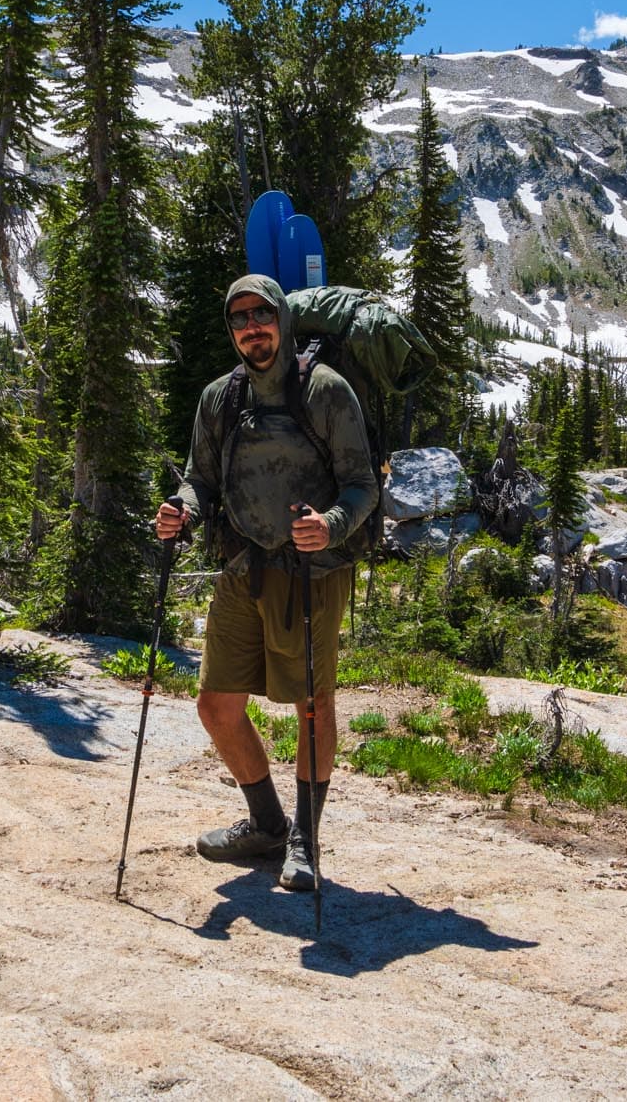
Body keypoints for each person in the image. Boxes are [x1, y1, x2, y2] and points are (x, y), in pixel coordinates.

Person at [154, 273, 377, 893]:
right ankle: (267, 825)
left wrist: (330, 526)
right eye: (239, 319)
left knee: (312, 705)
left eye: (261, 315)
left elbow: (363, 485)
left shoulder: (327, 392)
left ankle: (305, 841)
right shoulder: (219, 400)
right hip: (241, 566)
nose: (252, 328)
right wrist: (183, 510)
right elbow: (200, 479)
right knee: (216, 704)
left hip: (313, 571)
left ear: (282, 318)